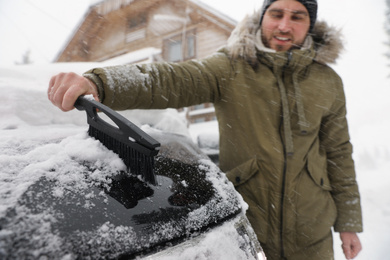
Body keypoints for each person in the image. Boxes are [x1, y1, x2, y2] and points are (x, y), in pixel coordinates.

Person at [48, 0, 363, 259]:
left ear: (311, 24)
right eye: (276, 13)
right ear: (262, 17)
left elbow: (338, 152)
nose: (284, 25)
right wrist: (100, 82)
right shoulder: (232, 67)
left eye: (297, 17)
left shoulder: (327, 82)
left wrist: (349, 223)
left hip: (314, 231)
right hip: (250, 226)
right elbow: (170, 79)